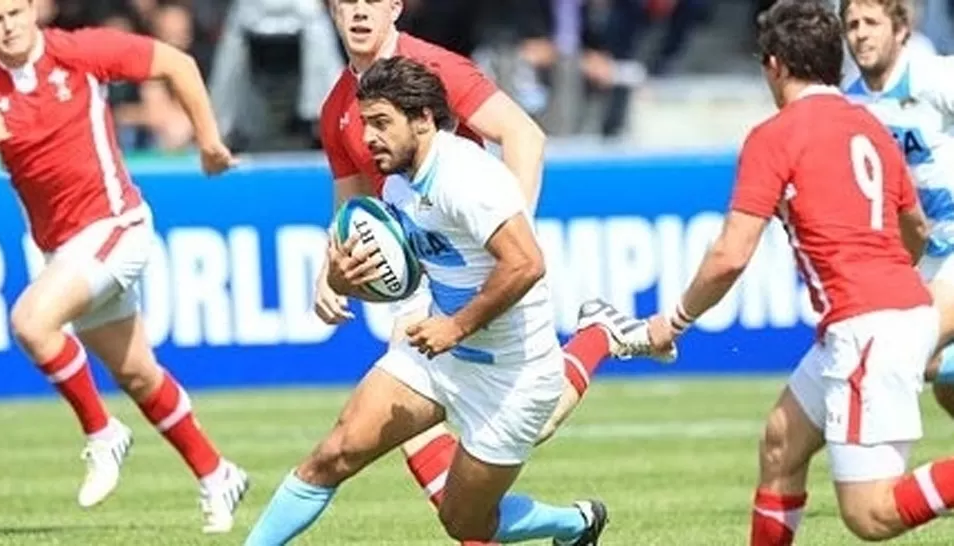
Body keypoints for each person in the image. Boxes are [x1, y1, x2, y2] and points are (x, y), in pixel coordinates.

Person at [314, 2, 668, 544]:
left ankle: (598, 338)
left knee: (533, 422)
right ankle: (527, 523)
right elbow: (351, 209)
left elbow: (523, 134)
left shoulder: (435, 68)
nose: (359, 11)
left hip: (481, 267)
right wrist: (329, 271)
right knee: (408, 433)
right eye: (347, 0)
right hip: (422, 269)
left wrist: (509, 230)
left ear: (395, 7)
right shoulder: (338, 104)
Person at [246, 56, 620, 546]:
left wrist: (456, 327)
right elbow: (409, 273)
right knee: (334, 453)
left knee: (464, 523)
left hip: (512, 376)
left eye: (381, 124)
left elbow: (526, 263)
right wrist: (345, 281)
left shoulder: (465, 177)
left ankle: (576, 523)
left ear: (422, 119)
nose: (368, 138)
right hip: (439, 358)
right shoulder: (400, 184)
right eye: (364, 124)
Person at [647, 1, 954, 543]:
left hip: (867, 326)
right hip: (890, 311)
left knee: (871, 515)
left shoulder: (776, 135)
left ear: (774, 66)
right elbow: (917, 230)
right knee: (780, 442)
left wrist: (674, 320)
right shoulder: (871, 124)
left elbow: (730, 255)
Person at [0, 0, 248, 533]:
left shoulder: (78, 52)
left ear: (34, 10)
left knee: (32, 323)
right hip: (63, 247)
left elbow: (178, 64)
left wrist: (209, 141)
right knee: (137, 373)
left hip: (115, 226)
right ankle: (217, 473)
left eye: (15, 13)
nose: (8, 26)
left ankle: (103, 433)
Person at [840, 0, 954, 424]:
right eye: (852, 25)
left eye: (872, 22)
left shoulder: (935, 78)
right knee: (943, 383)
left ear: (901, 30)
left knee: (904, 351)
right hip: (918, 256)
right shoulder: (849, 108)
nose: (861, 34)